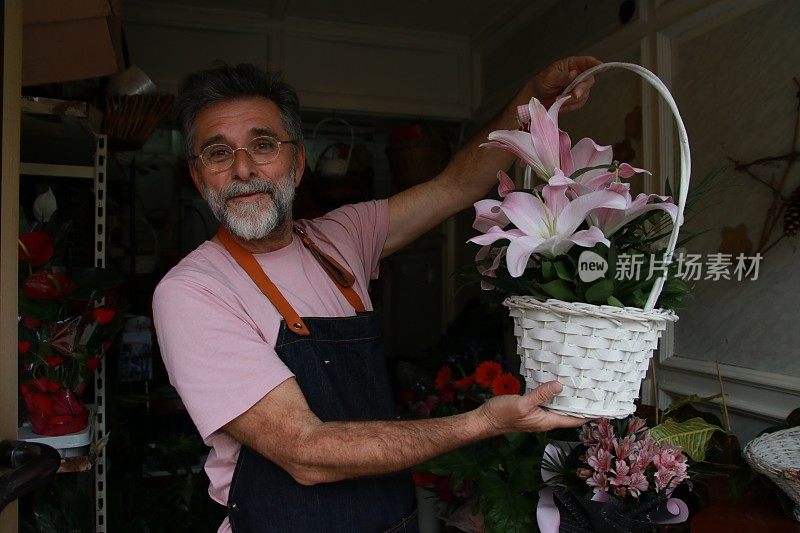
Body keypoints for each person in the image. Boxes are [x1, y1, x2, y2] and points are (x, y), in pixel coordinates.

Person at [153, 56, 601, 533]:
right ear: (199, 178)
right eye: (218, 153)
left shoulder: (342, 236)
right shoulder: (193, 291)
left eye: (263, 144)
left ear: (298, 161)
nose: (243, 169)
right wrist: (483, 423)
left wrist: (533, 102)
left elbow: (458, 184)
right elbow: (305, 452)